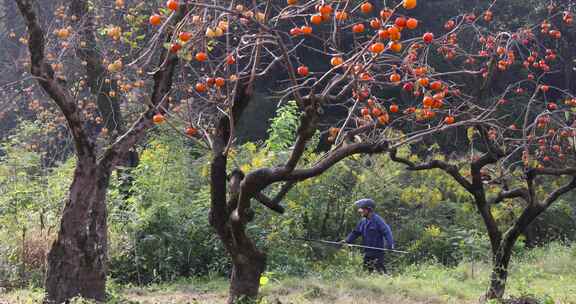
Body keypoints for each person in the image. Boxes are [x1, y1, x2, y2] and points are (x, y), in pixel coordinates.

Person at [342, 198, 395, 273]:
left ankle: (388, 282)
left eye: (362, 209)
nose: (360, 211)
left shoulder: (378, 220)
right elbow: (355, 232)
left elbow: (387, 232)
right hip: (367, 252)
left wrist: (390, 244)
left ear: (369, 210)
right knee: (366, 272)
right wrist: (346, 240)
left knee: (380, 273)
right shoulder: (363, 222)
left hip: (377, 253)